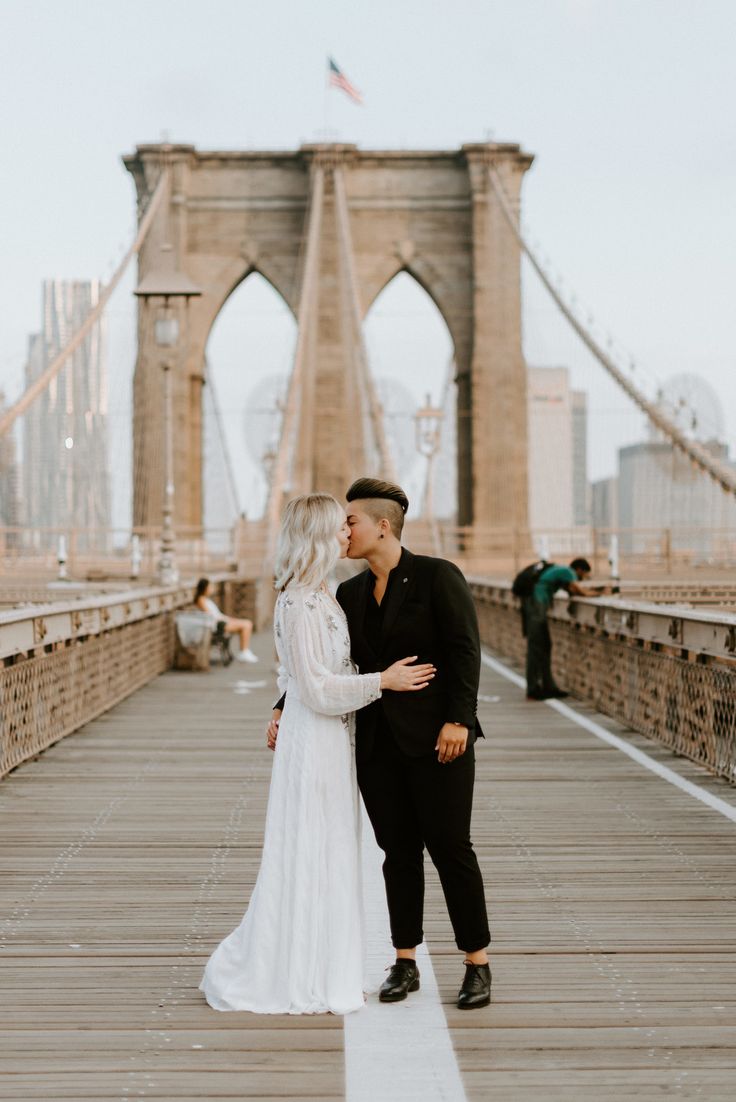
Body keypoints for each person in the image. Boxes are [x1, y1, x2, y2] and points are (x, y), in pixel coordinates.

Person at [199, 494, 435, 1015]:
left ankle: (326, 964)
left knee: (331, 848)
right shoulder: (299, 602)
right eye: (336, 528)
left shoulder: (323, 596)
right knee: (311, 847)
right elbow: (318, 689)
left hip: (332, 739)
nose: (344, 536)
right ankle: (299, 970)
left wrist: (281, 704)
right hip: (315, 740)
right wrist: (385, 682)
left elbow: (296, 677)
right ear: (316, 536)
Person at [269, 477, 492, 1010]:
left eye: (351, 521)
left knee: (451, 849)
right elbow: (323, 665)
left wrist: (459, 719)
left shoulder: (439, 576)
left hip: (440, 741)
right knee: (397, 853)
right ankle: (405, 959)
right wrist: (282, 706)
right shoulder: (344, 592)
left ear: (382, 526)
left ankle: (477, 963)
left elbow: (466, 652)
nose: (342, 531)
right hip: (374, 745)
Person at [524, 557, 613, 701]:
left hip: (535, 606)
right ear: (579, 570)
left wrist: (597, 590)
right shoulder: (568, 571)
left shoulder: (561, 573)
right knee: (536, 648)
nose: (582, 579)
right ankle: (533, 690)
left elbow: (573, 590)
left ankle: (549, 687)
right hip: (536, 607)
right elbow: (580, 591)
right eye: (584, 576)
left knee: (545, 646)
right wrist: (601, 593)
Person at [194, 577, 258, 663]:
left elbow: (216, 614)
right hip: (217, 624)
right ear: (204, 588)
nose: (212, 589)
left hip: (220, 621)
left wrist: (228, 619)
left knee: (247, 623)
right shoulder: (200, 600)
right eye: (210, 587)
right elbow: (210, 615)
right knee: (246, 624)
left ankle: (244, 650)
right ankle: (244, 652)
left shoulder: (206, 599)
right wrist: (226, 619)